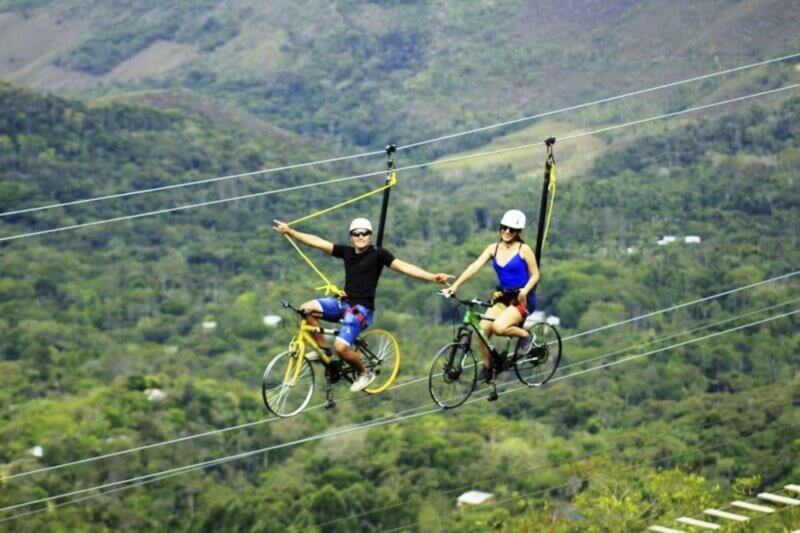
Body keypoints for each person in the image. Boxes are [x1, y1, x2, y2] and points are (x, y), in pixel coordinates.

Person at [273, 217, 453, 391]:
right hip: (343, 304)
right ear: (351, 236)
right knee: (306, 309)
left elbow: (404, 267)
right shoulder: (347, 252)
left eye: (364, 233)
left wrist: (431, 277)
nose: (360, 237)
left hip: (361, 310)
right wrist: (291, 232)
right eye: (356, 233)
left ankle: (364, 373)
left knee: (341, 347)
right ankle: (323, 350)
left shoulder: (378, 254)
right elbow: (318, 243)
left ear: (370, 235)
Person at [442, 209, 540, 383]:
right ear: (500, 227)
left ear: (518, 232)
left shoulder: (524, 250)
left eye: (512, 229)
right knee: (482, 328)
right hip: (504, 297)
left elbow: (535, 275)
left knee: (500, 328)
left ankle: (526, 336)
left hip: (522, 299)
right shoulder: (493, 249)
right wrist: (455, 286)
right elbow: (474, 267)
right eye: (505, 227)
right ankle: (488, 367)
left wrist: (525, 290)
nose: (507, 232)